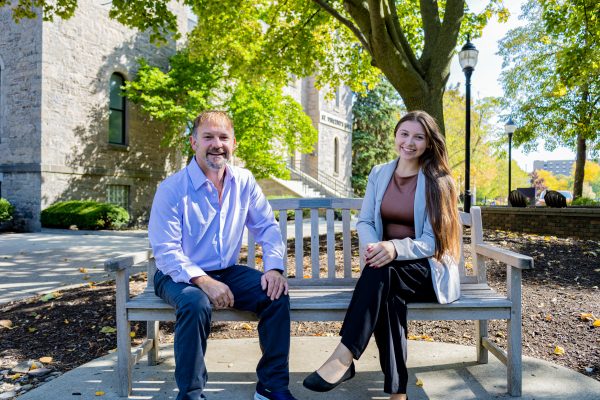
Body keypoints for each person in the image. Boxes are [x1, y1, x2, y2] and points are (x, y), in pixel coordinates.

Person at [303, 110, 461, 400]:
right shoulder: (380, 173)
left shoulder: (438, 180)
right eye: (404, 134)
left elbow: (433, 242)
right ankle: (398, 393)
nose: (409, 142)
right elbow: (365, 221)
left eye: (418, 137)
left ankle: (344, 355)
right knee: (388, 293)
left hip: (427, 269)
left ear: (428, 143)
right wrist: (376, 247)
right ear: (395, 136)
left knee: (381, 274)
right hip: (387, 269)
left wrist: (393, 248)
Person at [149, 110, 298, 400]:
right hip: (177, 275)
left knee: (275, 294)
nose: (216, 144)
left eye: (223, 137)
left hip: (227, 271)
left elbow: (267, 227)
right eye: (208, 137)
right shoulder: (172, 189)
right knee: (194, 303)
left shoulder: (244, 181)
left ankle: (271, 387)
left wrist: (274, 269)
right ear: (194, 143)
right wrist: (203, 281)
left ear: (233, 144)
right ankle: (191, 395)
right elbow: (166, 252)